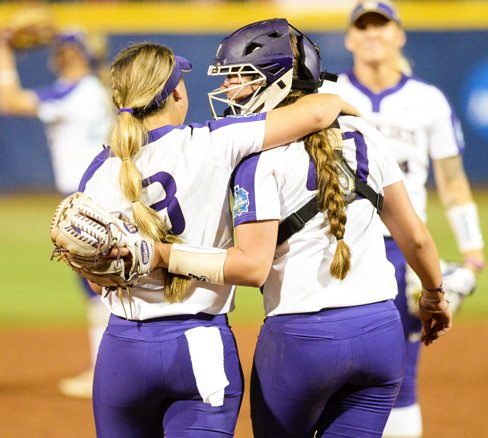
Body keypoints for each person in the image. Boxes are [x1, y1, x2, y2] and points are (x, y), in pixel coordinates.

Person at [146, 18, 452, 438]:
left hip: (302, 339)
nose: (230, 89)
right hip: (381, 332)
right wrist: (435, 295)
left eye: (241, 76)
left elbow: (252, 267)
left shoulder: (255, 158)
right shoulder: (365, 133)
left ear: (277, 81)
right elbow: (415, 237)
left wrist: (162, 256)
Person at [77, 40, 357, 437]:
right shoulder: (213, 141)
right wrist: (347, 109)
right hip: (201, 346)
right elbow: (317, 110)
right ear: (175, 91)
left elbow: (96, 279)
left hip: (122, 352)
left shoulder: (100, 171)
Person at [318, 2, 485, 436]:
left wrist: (473, 253)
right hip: (337, 245)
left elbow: (451, 182)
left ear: (400, 35)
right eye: (363, 26)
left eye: (382, 25)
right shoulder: (327, 95)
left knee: (401, 377)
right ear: (350, 37)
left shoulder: (427, 100)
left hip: (400, 252)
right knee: (328, 372)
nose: (372, 34)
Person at [0, 28, 114, 398]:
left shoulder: (76, 90)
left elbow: (10, 100)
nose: (60, 56)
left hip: (88, 197)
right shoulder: (94, 90)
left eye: (66, 51)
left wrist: (3, 49)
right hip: (101, 192)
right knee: (101, 283)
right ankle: (106, 365)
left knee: (97, 285)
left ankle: (106, 369)